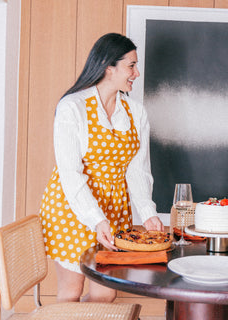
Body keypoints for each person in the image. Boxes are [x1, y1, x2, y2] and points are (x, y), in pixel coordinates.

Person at [39, 33, 164, 303]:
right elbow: (70, 174)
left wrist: (148, 213)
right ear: (109, 66)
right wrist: (95, 219)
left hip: (115, 210)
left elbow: (137, 171)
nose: (137, 72)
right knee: (71, 294)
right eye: (131, 65)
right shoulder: (73, 107)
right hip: (73, 208)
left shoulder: (135, 112)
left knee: (105, 295)